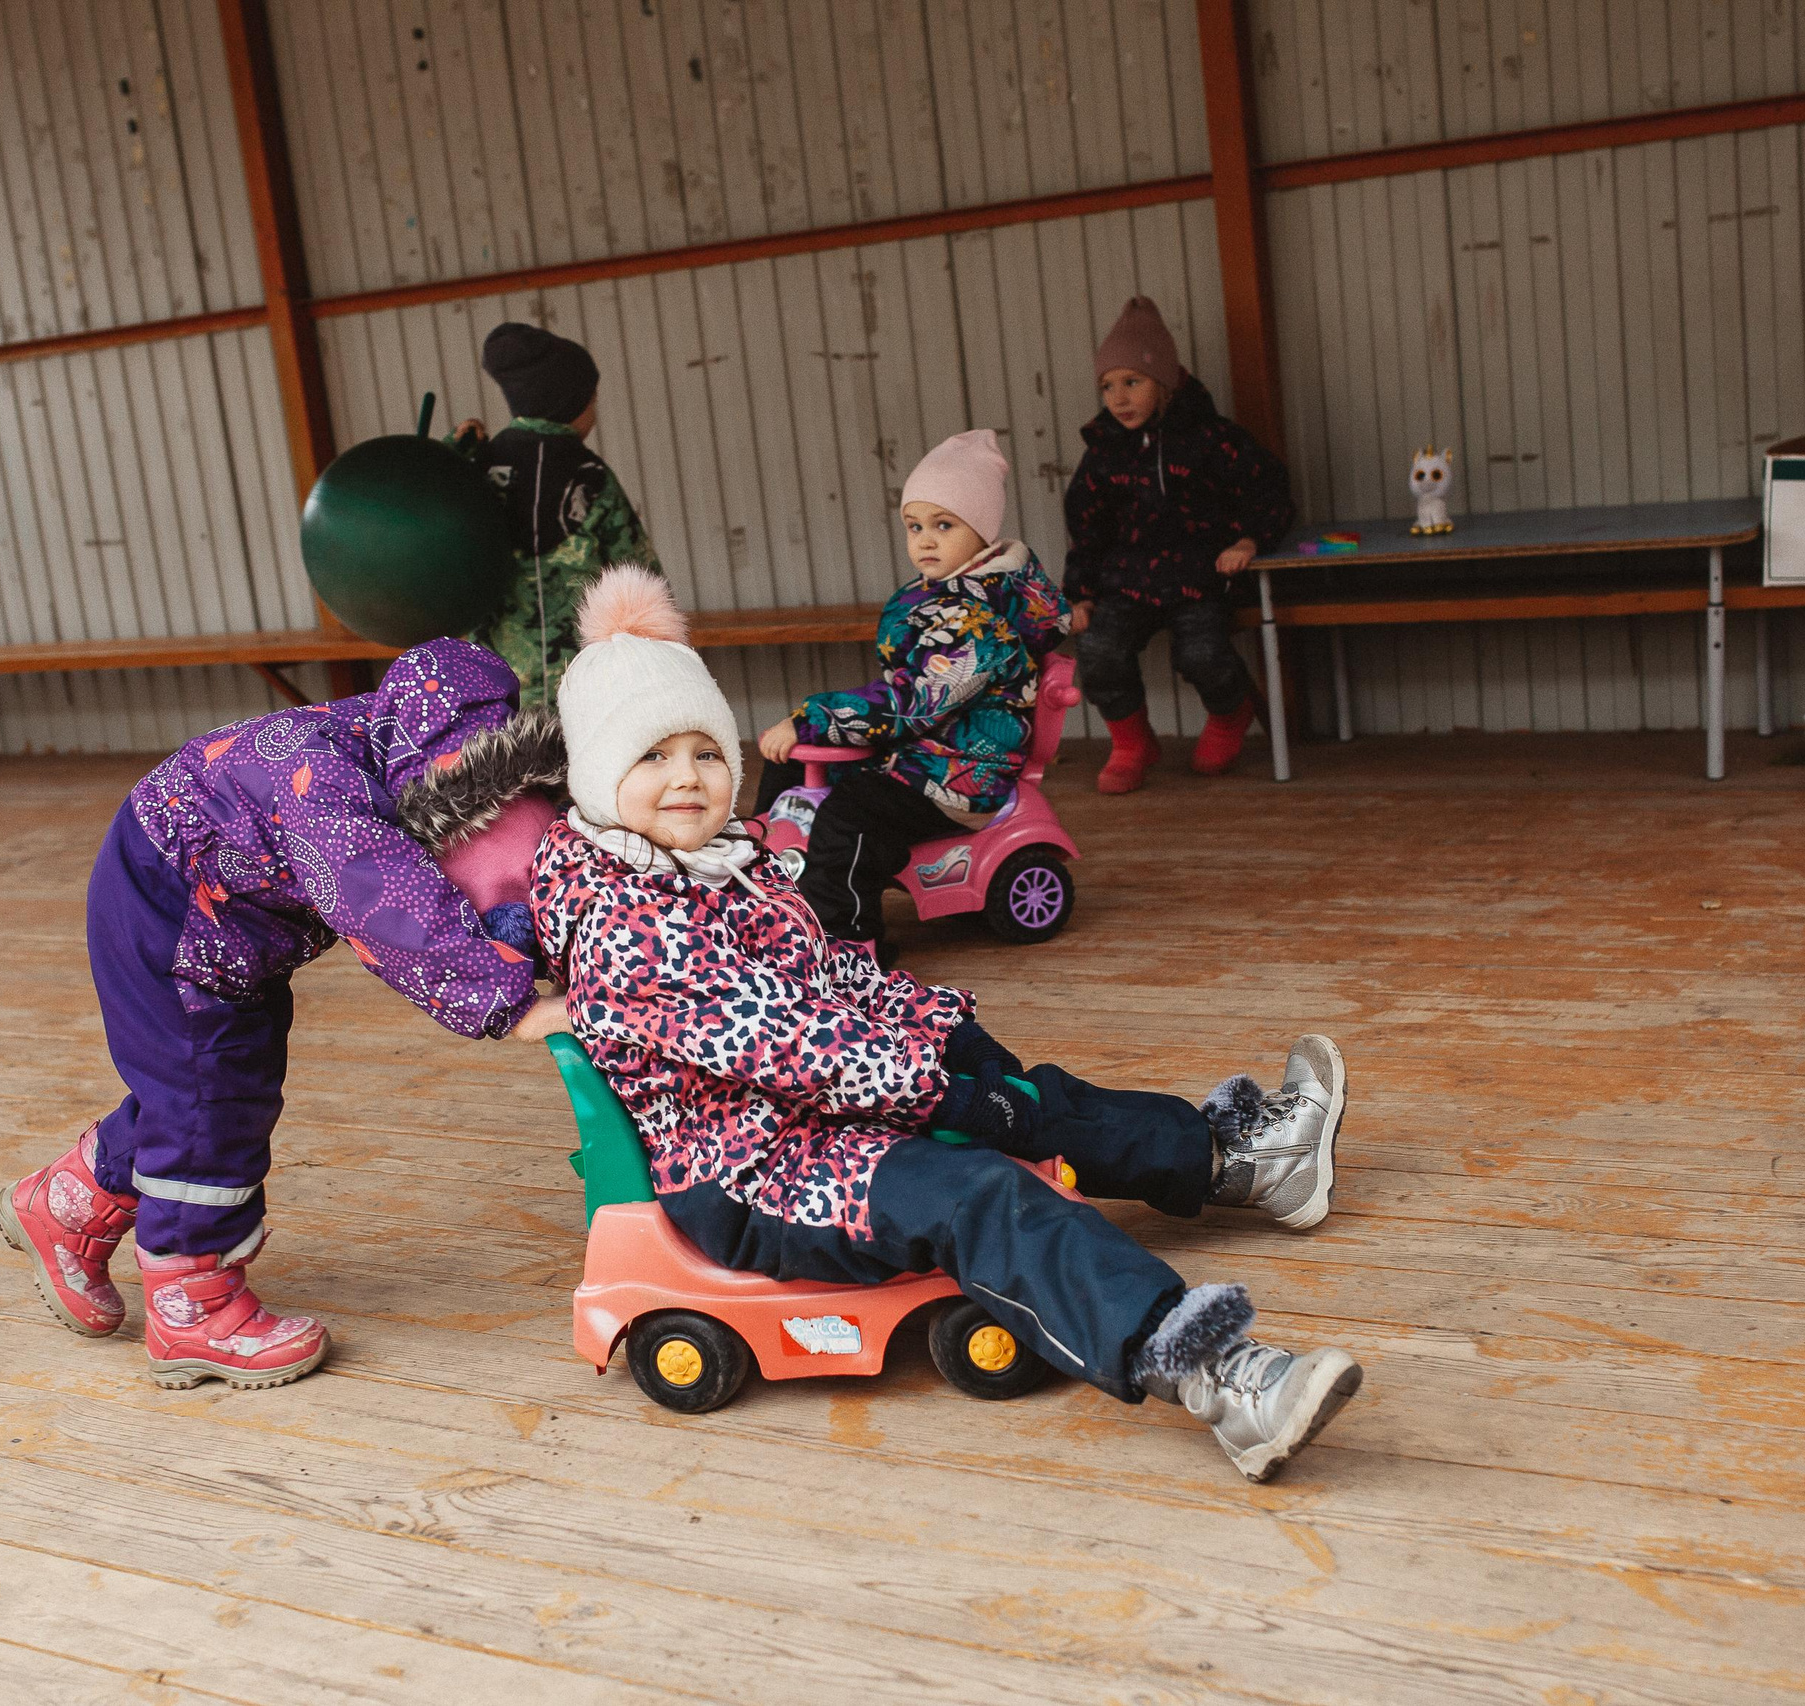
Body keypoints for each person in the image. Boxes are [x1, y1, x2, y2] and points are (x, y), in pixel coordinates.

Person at [530, 567, 1364, 1482]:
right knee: (984, 1193)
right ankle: (1213, 1374)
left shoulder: (726, 865)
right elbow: (789, 1045)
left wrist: (943, 1029)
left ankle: (1239, 1161)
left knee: (1034, 1098)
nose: (687, 778)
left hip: (822, 1122)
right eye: (652, 758)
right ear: (602, 777)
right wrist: (943, 1085)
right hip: (754, 1174)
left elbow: (829, 975)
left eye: (706, 752)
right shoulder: (628, 924)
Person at [0, 640, 570, 1391]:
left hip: (222, 927)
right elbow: (395, 908)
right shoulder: (333, 794)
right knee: (214, 1103)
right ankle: (193, 1307)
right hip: (167, 914)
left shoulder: (395, 744)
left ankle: (66, 1205)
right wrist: (512, 1001)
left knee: (198, 1090)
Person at [752, 429, 1068, 956]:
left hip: (959, 771)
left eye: (943, 525)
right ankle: (762, 884)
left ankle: (850, 939)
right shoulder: (935, 597)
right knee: (788, 768)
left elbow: (913, 704)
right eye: (914, 525)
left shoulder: (974, 622)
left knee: (849, 816)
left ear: (983, 534)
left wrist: (816, 718)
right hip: (920, 753)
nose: (924, 539)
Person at [1062, 296, 1294, 792]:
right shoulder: (1103, 453)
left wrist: (1249, 539)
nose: (1119, 398)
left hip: (1198, 576)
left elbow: (1268, 487)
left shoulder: (1212, 439)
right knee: (1100, 650)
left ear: (1166, 382)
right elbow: (1085, 524)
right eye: (1108, 386)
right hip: (1127, 581)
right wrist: (1081, 592)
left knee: (1203, 652)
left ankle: (1231, 714)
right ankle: (1132, 742)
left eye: (1133, 382)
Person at [448, 321, 663, 708]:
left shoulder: (478, 469)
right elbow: (639, 578)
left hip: (495, 684)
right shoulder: (590, 477)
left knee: (506, 766)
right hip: (584, 685)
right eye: (592, 399)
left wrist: (454, 449)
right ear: (569, 401)